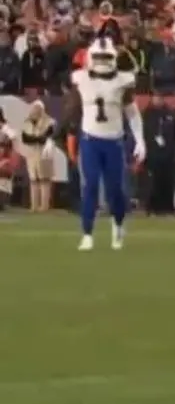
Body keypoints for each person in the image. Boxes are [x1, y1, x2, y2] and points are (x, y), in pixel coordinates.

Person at [71, 36, 145, 252]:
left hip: (114, 141)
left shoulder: (122, 81)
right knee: (90, 186)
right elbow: (73, 110)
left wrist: (140, 139)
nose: (102, 61)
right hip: (90, 140)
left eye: (106, 57)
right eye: (99, 57)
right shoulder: (81, 79)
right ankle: (87, 234)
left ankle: (118, 226)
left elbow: (132, 113)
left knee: (115, 190)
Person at [20, 100, 55, 213]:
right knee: (33, 179)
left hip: (44, 154)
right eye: (34, 108)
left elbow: (46, 137)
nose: (35, 110)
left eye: (37, 108)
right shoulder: (27, 122)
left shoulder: (49, 122)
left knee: (44, 180)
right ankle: (34, 205)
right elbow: (25, 139)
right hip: (31, 154)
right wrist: (37, 139)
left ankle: (44, 206)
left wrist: (35, 139)